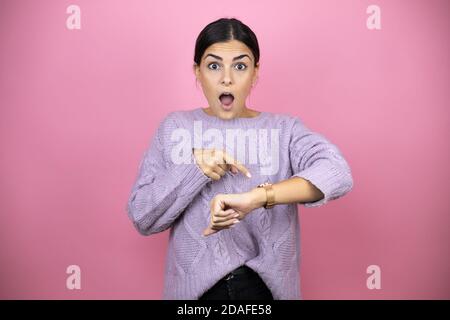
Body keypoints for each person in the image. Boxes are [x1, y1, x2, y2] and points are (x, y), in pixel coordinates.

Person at [126, 17, 353, 300]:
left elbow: (337, 172)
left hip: (266, 292)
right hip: (195, 296)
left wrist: (258, 198)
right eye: (213, 65)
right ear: (197, 72)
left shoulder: (284, 130)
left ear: (255, 73)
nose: (226, 78)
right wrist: (195, 168)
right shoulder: (175, 128)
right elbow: (143, 217)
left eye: (240, 66)